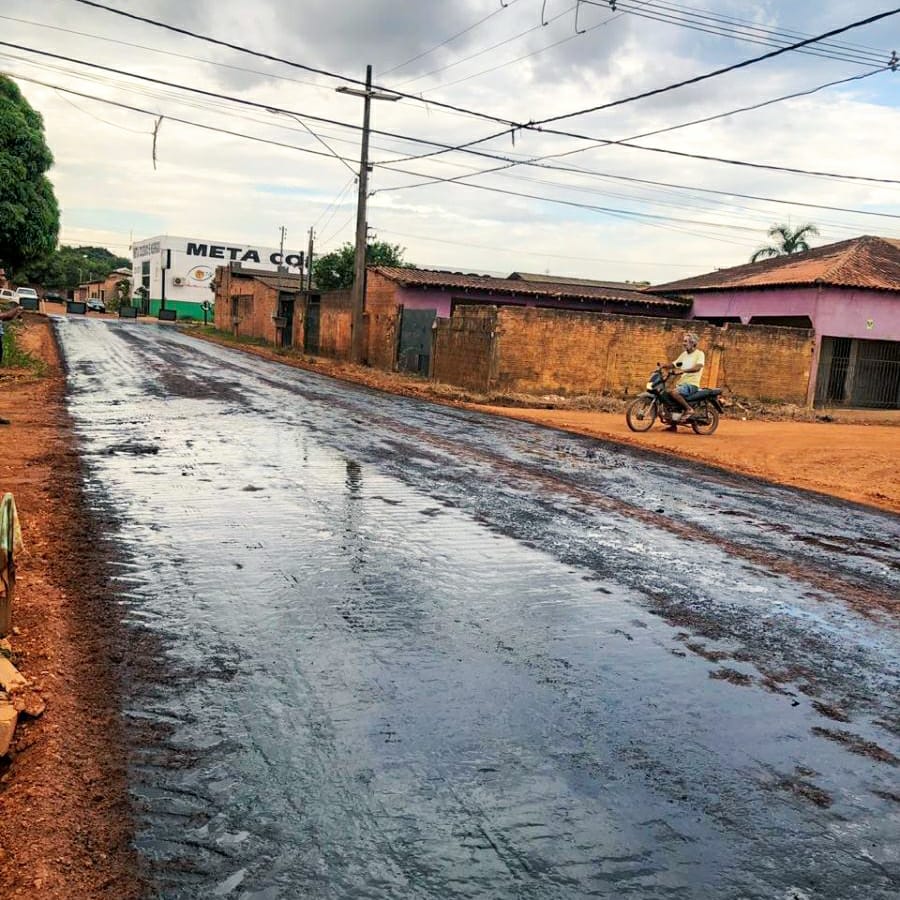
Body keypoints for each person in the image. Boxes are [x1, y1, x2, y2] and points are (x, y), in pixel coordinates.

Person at [666, 332, 705, 426]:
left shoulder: (699, 354)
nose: (684, 343)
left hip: (692, 384)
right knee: (668, 397)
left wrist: (683, 371)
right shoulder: (684, 354)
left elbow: (698, 367)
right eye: (684, 341)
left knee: (674, 393)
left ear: (693, 343)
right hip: (682, 384)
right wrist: (663, 366)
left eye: (686, 341)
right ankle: (673, 425)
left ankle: (689, 409)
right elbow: (674, 364)